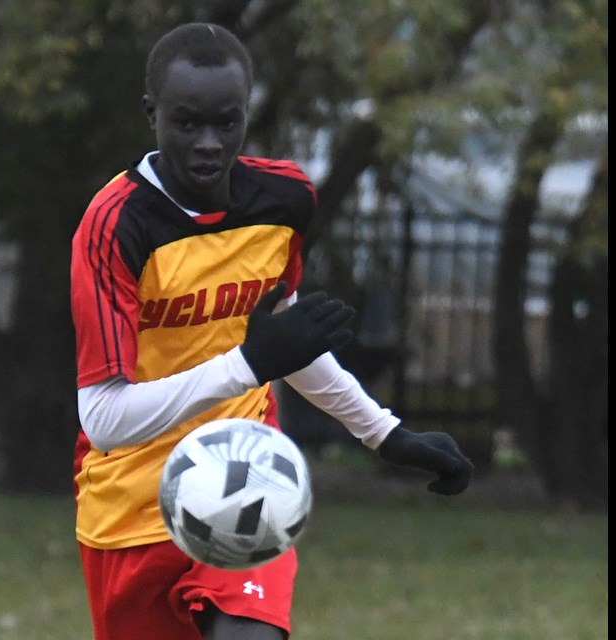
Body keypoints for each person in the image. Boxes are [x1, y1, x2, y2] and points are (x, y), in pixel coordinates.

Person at [69, 22, 473, 640]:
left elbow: (282, 342)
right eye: (186, 123)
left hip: (247, 472)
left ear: (246, 116)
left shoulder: (282, 200)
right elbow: (103, 417)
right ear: (151, 114)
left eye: (226, 123)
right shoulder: (115, 226)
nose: (208, 143)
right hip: (131, 508)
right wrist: (250, 362)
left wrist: (383, 433)